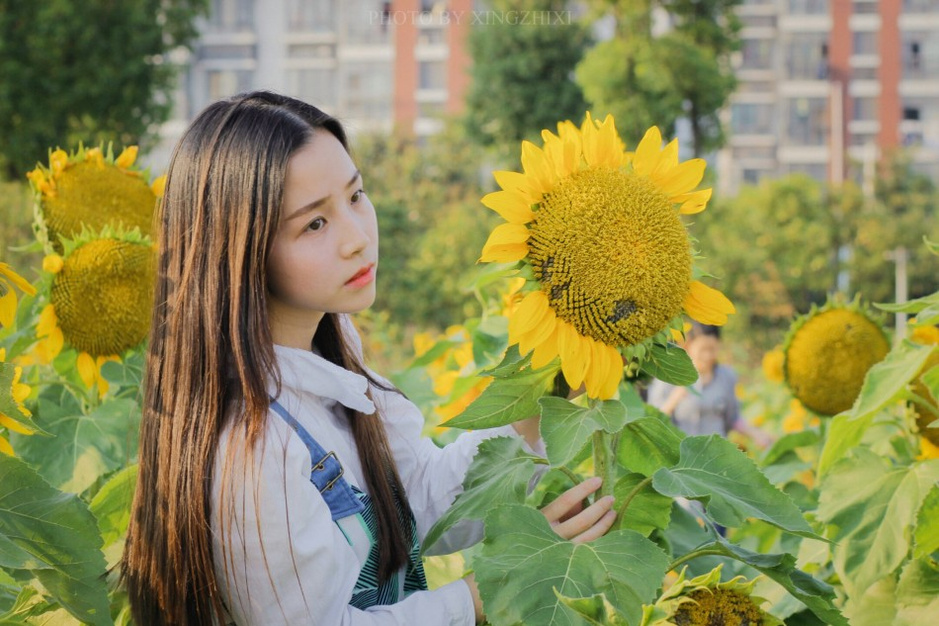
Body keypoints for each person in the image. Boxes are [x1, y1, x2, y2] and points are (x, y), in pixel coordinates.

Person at [121, 91, 617, 626]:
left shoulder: (331, 361)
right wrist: (479, 594)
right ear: (240, 252)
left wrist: (547, 382)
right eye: (314, 224)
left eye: (356, 196)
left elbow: (419, 503)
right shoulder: (255, 448)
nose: (358, 238)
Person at [648, 323, 769, 445]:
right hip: (682, 454)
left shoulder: (726, 376)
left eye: (712, 349)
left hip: (716, 455)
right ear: (688, 346)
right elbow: (653, 420)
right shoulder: (669, 376)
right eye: (703, 349)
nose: (708, 356)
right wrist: (673, 400)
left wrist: (756, 434)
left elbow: (733, 418)